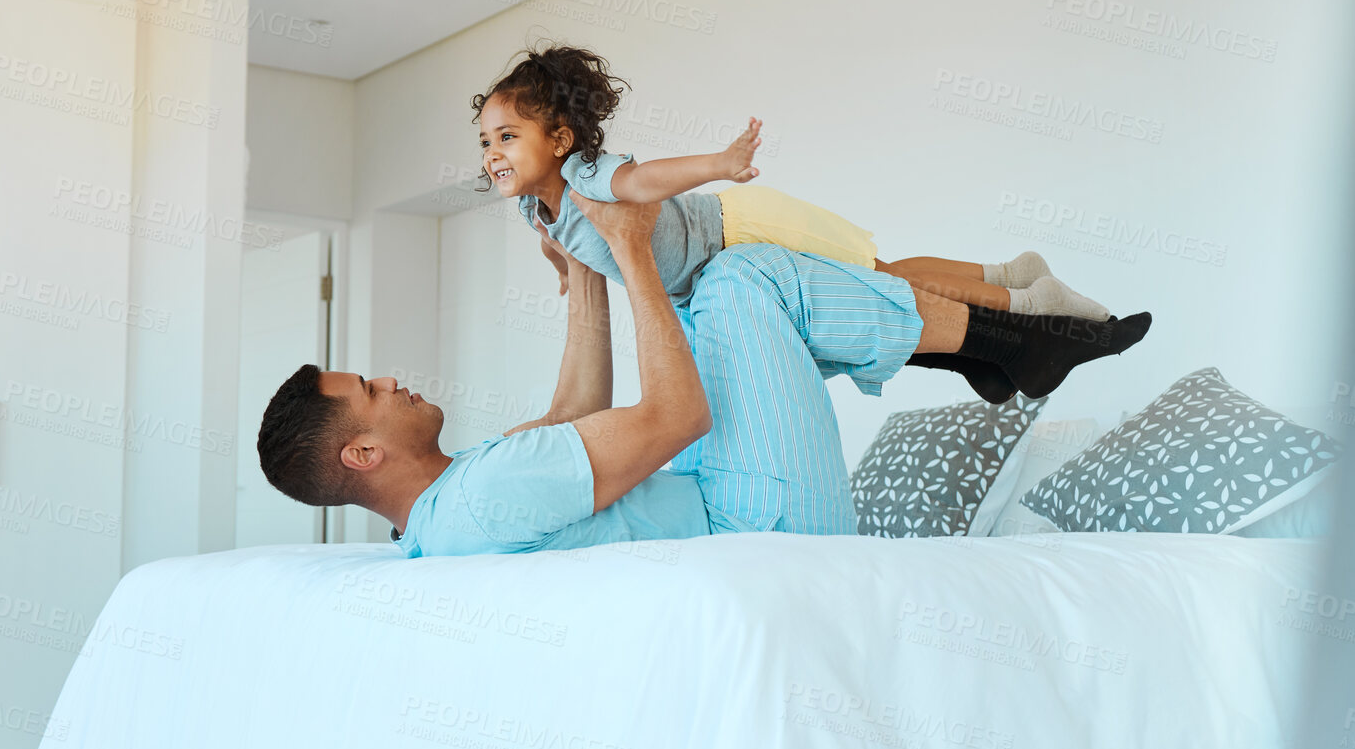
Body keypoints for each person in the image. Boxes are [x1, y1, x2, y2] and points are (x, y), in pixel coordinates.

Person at [256, 195, 1151, 556]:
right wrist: (634, 251)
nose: (395, 381)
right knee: (736, 278)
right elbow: (676, 415)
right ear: (365, 451)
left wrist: (588, 279)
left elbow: (575, 412)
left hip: (724, 501)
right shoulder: (487, 498)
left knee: (693, 313)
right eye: (372, 389)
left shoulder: (446, 514)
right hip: (760, 527)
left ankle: (996, 340)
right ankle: (1005, 340)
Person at [472, 45, 1113, 403]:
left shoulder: (588, 176)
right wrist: (561, 266)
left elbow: (646, 181)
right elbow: (560, 242)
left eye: (507, 136)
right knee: (879, 281)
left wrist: (720, 163)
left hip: (741, 229)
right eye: (485, 143)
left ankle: (1026, 297)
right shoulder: (538, 206)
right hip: (714, 271)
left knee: (877, 278)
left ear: (559, 139)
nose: (492, 153)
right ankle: (1012, 280)